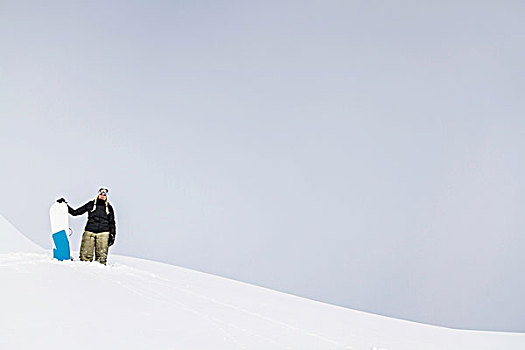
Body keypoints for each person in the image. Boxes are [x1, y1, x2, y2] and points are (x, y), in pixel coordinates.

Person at [57, 187, 116, 265]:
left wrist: (112, 235)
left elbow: (112, 222)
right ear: (98, 194)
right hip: (89, 232)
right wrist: (65, 205)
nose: (102, 196)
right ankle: (85, 273)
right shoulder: (91, 204)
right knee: (85, 257)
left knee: (101, 259)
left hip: (103, 233)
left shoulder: (109, 208)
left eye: (104, 195)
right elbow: (75, 212)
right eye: (101, 194)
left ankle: (100, 273)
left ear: (106, 196)